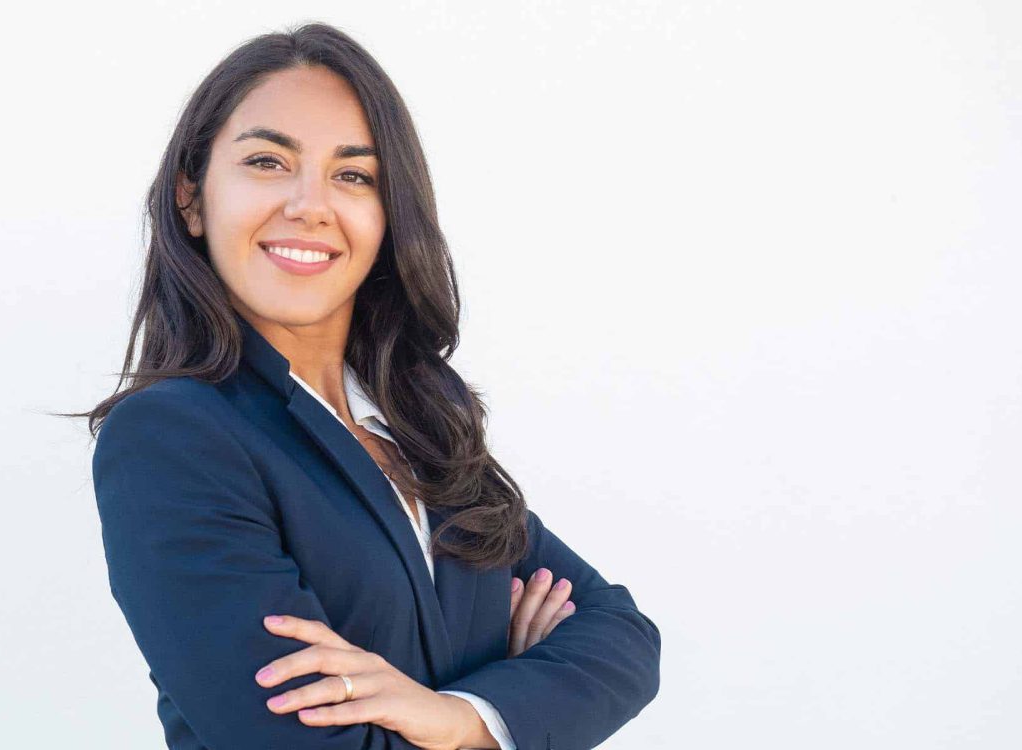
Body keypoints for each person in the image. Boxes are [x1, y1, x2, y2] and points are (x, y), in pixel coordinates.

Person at [84, 22, 661, 750]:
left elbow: (623, 641)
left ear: (390, 216)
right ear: (192, 200)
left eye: (354, 175)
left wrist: (454, 719)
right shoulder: (175, 439)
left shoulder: (423, 422)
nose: (310, 205)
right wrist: (519, 704)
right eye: (266, 161)